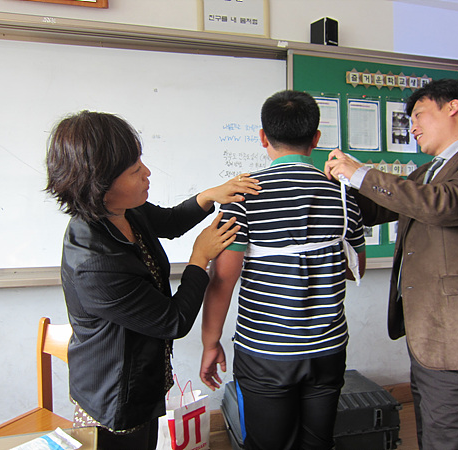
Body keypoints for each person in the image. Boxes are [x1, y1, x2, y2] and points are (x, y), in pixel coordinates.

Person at [325, 79, 458, 450]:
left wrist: (361, 173)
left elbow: (446, 204)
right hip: (431, 336)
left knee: (456, 440)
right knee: (436, 437)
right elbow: (378, 207)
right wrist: (333, 186)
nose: (412, 127)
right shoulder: (428, 172)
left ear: (453, 107)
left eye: (419, 115)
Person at [45, 110, 261, 449]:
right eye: (135, 170)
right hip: (116, 397)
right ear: (100, 185)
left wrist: (209, 196)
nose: (147, 172)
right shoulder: (94, 262)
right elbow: (173, 321)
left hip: (142, 379)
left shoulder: (123, 210)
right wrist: (200, 257)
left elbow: (170, 222)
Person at [199, 90, 366, 450]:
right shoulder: (343, 195)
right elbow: (356, 270)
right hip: (327, 348)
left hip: (266, 351)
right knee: (318, 444)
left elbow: (223, 280)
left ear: (263, 137)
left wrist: (210, 342)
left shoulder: (242, 196)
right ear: (316, 139)